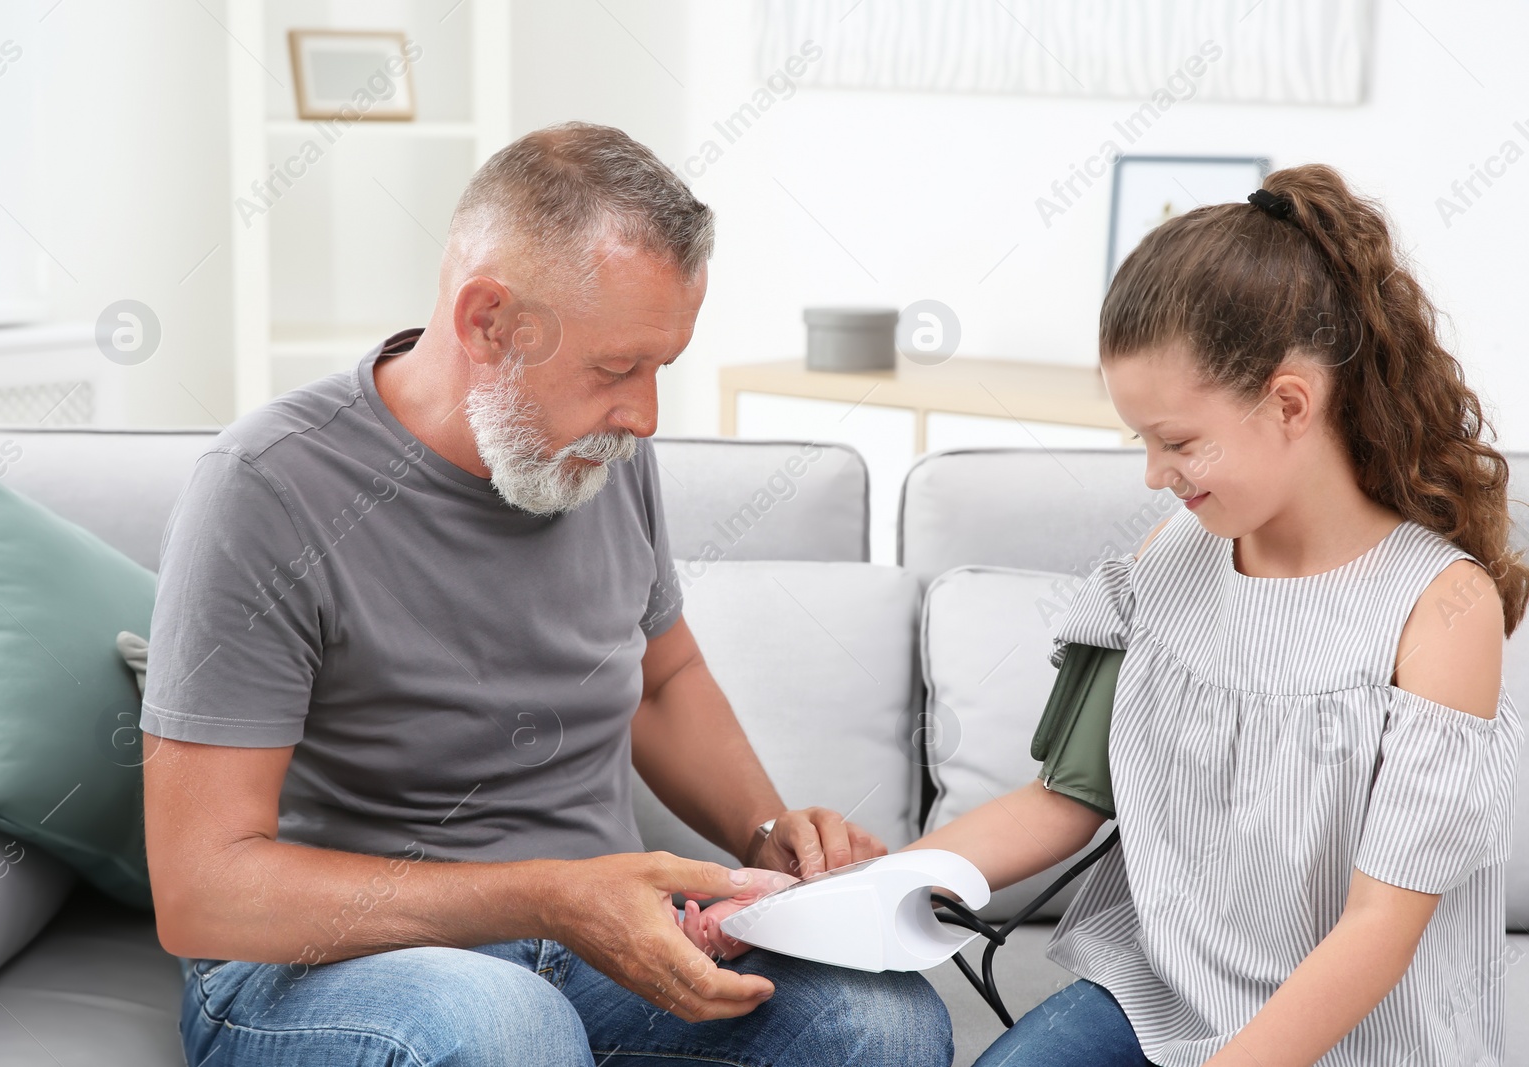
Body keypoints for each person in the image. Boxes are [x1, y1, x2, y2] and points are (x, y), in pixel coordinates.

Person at [138, 121, 952, 1067]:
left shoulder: (597, 451)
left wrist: (766, 833)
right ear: (488, 321)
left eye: (660, 369)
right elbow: (204, 887)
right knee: (507, 1029)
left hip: (592, 944)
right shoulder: (265, 488)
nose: (644, 415)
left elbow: (661, 678)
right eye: (616, 369)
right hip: (336, 963)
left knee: (884, 1025)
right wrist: (548, 897)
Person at [689, 164, 1527, 1066]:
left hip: (1358, 1033)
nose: (1155, 473)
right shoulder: (1167, 559)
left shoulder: (1442, 610)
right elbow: (1061, 800)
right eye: (1143, 440)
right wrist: (807, 905)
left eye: (1178, 441)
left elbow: (1378, 932)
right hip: (1154, 994)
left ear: (1291, 402)